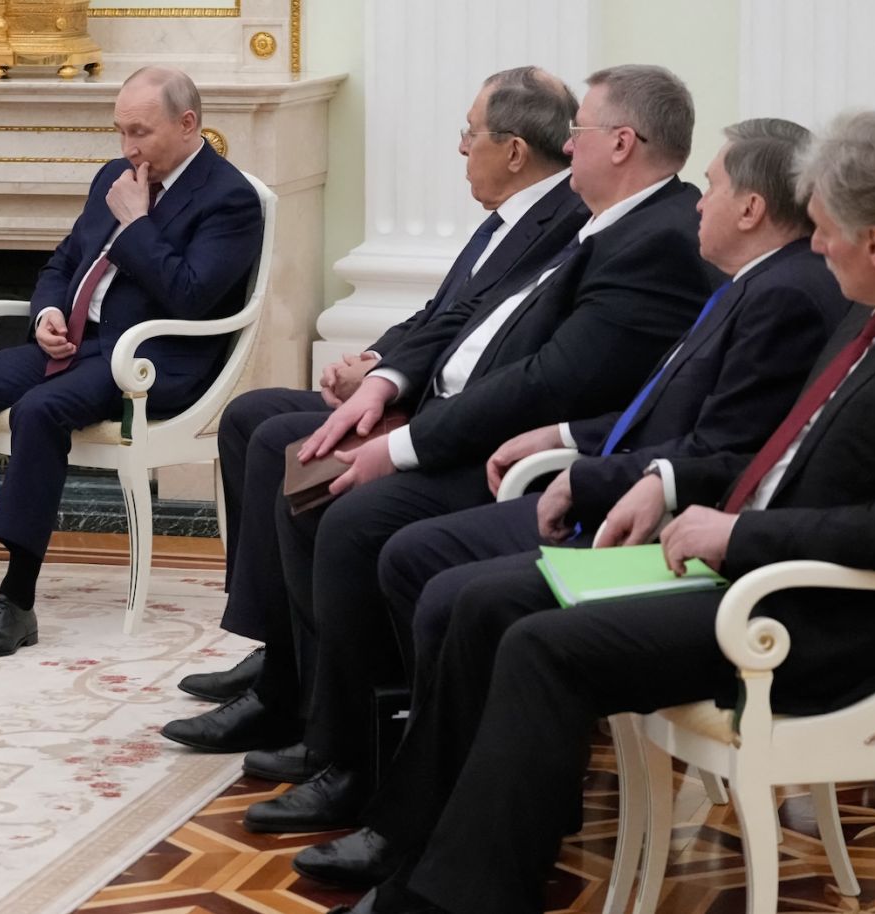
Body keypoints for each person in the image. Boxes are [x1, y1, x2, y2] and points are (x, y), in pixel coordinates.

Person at [331, 110, 875, 914]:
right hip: (757, 573)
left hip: (824, 618)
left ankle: (462, 898)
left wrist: (734, 533)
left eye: (829, 230)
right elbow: (785, 455)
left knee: (541, 646)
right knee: (488, 600)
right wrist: (669, 489)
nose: (815, 244)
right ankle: (415, 849)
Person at [281, 118, 850, 869]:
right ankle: (441, 788)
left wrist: (593, 474)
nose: (697, 203)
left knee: (442, 577)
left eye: (711, 187)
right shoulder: (760, 284)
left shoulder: (782, 295)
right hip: (620, 489)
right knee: (420, 559)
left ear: (748, 209)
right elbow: (669, 413)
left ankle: (438, 815)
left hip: (654, 526)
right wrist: (564, 440)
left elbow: (721, 452)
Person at [167, 64, 719, 823]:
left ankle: (351, 749)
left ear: (620, 143)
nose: (568, 145)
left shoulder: (637, 233)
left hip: (526, 459)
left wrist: (406, 434)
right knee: (282, 444)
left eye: (581, 132)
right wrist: (385, 379)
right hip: (465, 419)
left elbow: (553, 376)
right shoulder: (605, 222)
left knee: (349, 510)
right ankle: (311, 701)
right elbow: (458, 321)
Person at [178, 67, 589, 733]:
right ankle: (280, 646)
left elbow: (476, 337)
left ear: (513, 151)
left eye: (469, 133)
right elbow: (440, 315)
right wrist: (375, 364)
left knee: (280, 440)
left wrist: (390, 385)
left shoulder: (558, 221)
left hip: (460, 424)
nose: (460, 148)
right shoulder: (506, 220)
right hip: (417, 392)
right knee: (251, 417)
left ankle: (293, 685)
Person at [0, 66, 263, 659]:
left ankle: (17, 600)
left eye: (141, 133)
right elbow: (63, 261)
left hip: (147, 361)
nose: (128, 149)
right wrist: (47, 312)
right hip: (75, 343)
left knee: (39, 411)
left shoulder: (229, 198)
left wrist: (137, 222)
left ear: (187, 124)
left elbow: (190, 295)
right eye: (120, 132)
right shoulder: (115, 175)